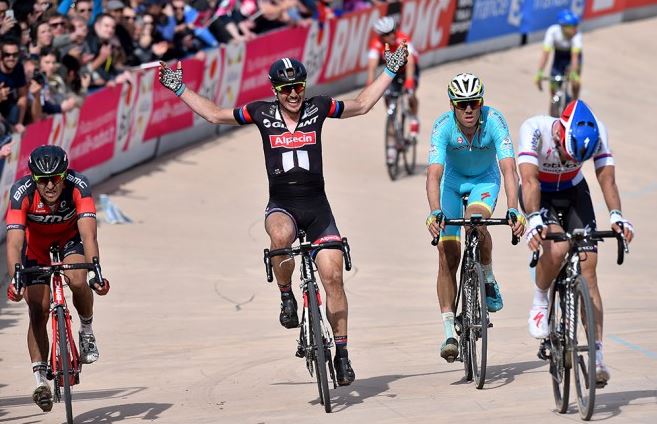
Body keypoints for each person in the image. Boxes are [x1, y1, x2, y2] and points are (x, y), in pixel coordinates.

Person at [158, 43, 409, 386]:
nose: (293, 94)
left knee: (333, 277)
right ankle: (286, 296)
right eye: (286, 89)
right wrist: (178, 88)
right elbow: (216, 115)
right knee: (278, 236)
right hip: (283, 206)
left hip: (318, 208)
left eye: (298, 87)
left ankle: (343, 354)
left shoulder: (318, 108)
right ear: (274, 91)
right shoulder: (261, 113)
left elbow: (362, 105)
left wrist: (391, 69)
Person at [519, 99, 634, 386]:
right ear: (559, 134)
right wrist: (534, 219)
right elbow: (529, 181)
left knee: (589, 267)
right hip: (540, 193)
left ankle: (597, 357)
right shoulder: (535, 129)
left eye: (576, 159)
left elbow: (607, 180)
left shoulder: (597, 133)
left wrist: (617, 215)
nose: (569, 160)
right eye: (567, 154)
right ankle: (540, 300)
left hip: (573, 191)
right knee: (557, 248)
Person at [426, 73, 525, 362]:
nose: (469, 110)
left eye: (474, 103)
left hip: (485, 180)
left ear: (481, 102)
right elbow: (434, 175)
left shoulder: (495, 120)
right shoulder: (443, 126)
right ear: (452, 105)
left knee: (475, 222)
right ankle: (448, 332)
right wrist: (434, 212)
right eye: (462, 104)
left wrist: (514, 208)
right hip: (453, 183)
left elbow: (509, 169)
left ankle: (489, 276)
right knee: (447, 252)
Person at [5, 145, 110, 412]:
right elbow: (14, 243)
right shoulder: (21, 192)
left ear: (65, 175)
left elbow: (89, 236)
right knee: (37, 310)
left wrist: (96, 269)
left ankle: (86, 331)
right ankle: (40, 379)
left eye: (56, 178)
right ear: (33, 179)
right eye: (43, 180)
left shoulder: (79, 185)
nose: (50, 186)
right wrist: (15, 277)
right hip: (35, 250)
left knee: (77, 279)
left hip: (70, 242)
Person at [368, 16, 420, 140]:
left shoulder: (402, 39)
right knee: (387, 94)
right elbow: (372, 67)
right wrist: (370, 88)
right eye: (387, 34)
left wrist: (409, 81)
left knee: (410, 94)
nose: (391, 35)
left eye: (393, 31)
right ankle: (392, 121)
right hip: (395, 71)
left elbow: (411, 61)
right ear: (381, 36)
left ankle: (414, 119)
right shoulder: (376, 44)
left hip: (409, 68)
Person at [535, 9, 582, 109]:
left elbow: (575, 58)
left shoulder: (577, 36)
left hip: (572, 57)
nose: (575, 29)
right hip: (559, 57)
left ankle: (575, 103)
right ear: (563, 27)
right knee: (553, 85)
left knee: (575, 82)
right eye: (571, 27)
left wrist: (574, 73)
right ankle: (554, 103)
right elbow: (546, 54)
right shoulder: (553, 32)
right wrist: (540, 72)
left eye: (576, 26)